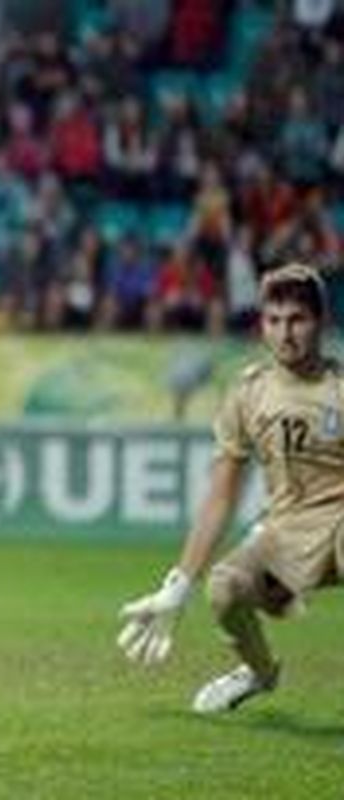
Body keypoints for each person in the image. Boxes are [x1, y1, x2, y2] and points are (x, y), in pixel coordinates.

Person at [117, 263, 342, 713]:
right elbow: (222, 494)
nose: (285, 334)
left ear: (321, 322)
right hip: (287, 531)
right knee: (224, 589)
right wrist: (178, 584)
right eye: (273, 321)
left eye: (297, 320)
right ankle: (259, 672)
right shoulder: (248, 393)